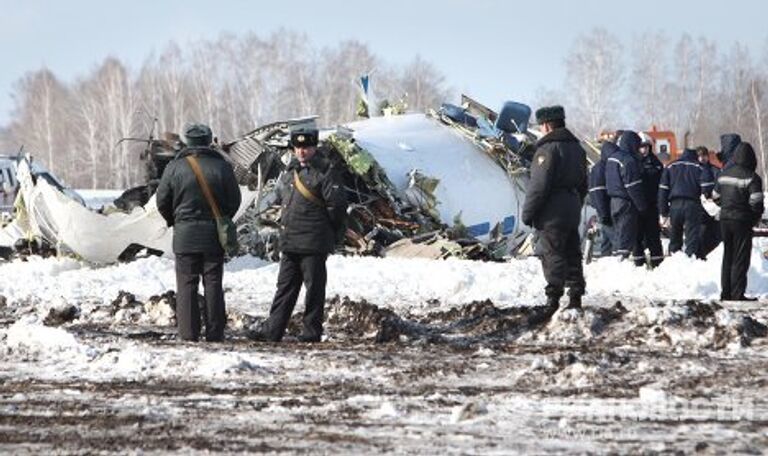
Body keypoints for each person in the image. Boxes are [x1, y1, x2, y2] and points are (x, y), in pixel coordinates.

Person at [250, 126, 348, 342]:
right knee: (284, 288)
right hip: (290, 240)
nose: (302, 151)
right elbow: (282, 199)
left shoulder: (325, 171)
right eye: (298, 147)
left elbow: (337, 206)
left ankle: (311, 332)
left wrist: (327, 232)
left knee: (314, 289)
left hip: (314, 242)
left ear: (314, 147)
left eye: (306, 147)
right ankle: (273, 330)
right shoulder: (289, 171)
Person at [156, 123, 242, 342]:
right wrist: (222, 219)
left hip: (184, 235)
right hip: (213, 235)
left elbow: (162, 201)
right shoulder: (222, 167)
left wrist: (175, 221)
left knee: (186, 284)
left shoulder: (174, 168)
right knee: (213, 283)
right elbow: (234, 201)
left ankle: (188, 333)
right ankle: (215, 333)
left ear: (187, 142)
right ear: (208, 140)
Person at [522, 106, 588, 311]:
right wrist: (575, 202)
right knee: (572, 250)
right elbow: (584, 183)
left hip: (552, 210)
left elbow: (539, 185)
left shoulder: (547, 150)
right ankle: (575, 296)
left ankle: (553, 300)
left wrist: (528, 213)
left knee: (553, 252)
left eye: (541, 126)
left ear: (547, 125)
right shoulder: (578, 149)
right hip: (572, 205)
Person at [712, 142, 764, 301]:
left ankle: (725, 293)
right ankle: (737, 294)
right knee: (740, 258)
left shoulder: (723, 175)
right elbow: (756, 202)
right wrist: (753, 218)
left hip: (725, 220)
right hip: (742, 221)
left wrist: (726, 206)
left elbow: (715, 196)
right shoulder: (752, 177)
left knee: (727, 256)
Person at [658, 148, 713, 258]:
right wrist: (706, 196)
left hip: (674, 205)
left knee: (675, 235)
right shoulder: (699, 167)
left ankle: (674, 257)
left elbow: (663, 191)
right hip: (692, 205)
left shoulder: (670, 167)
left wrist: (663, 211)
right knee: (692, 236)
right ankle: (690, 259)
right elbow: (707, 187)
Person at [605, 130, 647, 259]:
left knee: (618, 235)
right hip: (626, 203)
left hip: (613, 201)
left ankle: (616, 260)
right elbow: (632, 185)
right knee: (626, 236)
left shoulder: (612, 158)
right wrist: (641, 205)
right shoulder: (627, 160)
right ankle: (622, 265)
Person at [631, 134, 665, 267]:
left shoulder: (656, 163)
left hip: (652, 205)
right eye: (641, 147)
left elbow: (661, 182)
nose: (643, 150)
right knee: (637, 236)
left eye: (645, 147)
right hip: (638, 206)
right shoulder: (633, 162)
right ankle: (639, 263)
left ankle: (657, 263)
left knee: (653, 236)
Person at [589, 141, 618, 257]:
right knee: (615, 236)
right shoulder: (600, 169)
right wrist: (603, 212)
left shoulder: (607, 166)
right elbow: (597, 191)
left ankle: (605, 257)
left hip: (608, 207)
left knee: (607, 238)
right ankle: (619, 258)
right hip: (605, 208)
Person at [697, 146, 722, 259]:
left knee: (716, 232)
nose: (702, 158)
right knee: (701, 233)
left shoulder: (715, 170)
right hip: (699, 208)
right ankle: (701, 256)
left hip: (714, 207)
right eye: (700, 156)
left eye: (704, 156)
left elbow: (720, 186)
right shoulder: (694, 170)